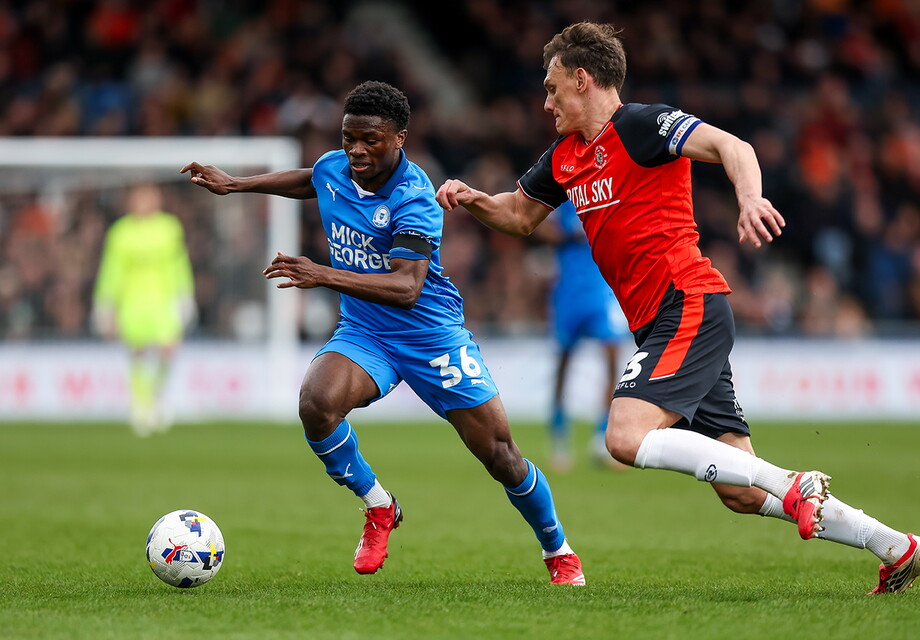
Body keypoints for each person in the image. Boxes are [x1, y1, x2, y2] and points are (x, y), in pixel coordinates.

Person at [436, 22, 920, 594]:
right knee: (742, 493)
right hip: (659, 322)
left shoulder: (644, 126)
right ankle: (895, 546)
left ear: (582, 80)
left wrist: (750, 199)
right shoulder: (564, 158)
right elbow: (519, 216)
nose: (546, 102)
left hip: (687, 301)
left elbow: (733, 146)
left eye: (552, 88)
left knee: (623, 436)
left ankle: (794, 482)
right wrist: (474, 201)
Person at [181, 80, 584, 584]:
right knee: (315, 403)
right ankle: (378, 506)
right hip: (366, 332)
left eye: (370, 139)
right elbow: (314, 178)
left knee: (501, 456)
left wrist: (322, 274)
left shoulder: (416, 199)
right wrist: (237, 184)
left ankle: (558, 550)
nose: (356, 150)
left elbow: (406, 287)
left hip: (432, 337)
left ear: (400, 138)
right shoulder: (338, 166)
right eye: (349, 137)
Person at [92, 182, 195, 436]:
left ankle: (156, 395)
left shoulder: (169, 228)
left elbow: (178, 263)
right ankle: (140, 404)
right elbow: (112, 269)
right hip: (133, 299)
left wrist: (185, 295)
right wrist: (105, 303)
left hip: (163, 297)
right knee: (137, 352)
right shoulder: (121, 232)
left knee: (167, 349)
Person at [539, 200, 627, 471]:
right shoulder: (564, 196)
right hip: (569, 293)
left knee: (613, 356)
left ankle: (603, 435)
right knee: (564, 363)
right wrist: (568, 233)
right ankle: (559, 437)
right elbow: (537, 225)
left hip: (601, 290)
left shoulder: (605, 194)